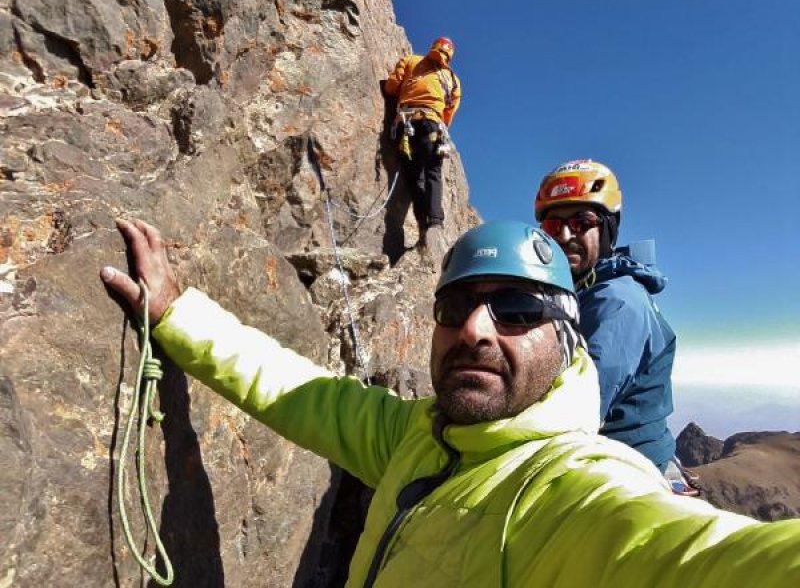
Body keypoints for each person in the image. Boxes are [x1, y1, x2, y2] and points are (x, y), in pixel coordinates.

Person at [101, 218, 799, 587]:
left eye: (517, 310)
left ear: (566, 341)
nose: (475, 329)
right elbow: (293, 389)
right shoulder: (417, 435)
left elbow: (691, 556)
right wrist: (174, 312)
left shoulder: (569, 490)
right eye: (456, 305)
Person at [534, 159, 696, 494]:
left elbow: (572, 411)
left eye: (582, 222)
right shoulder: (584, 292)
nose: (564, 236)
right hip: (612, 460)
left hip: (626, 477)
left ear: (607, 228)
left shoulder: (616, 303)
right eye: (552, 225)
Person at [384, 37, 461, 253]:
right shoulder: (452, 79)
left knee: (415, 176)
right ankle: (435, 221)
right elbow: (449, 113)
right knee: (433, 172)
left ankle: (422, 222)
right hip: (432, 125)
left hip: (406, 124)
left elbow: (391, 87)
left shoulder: (410, 61)